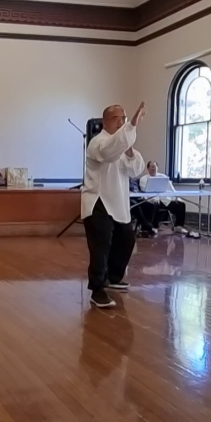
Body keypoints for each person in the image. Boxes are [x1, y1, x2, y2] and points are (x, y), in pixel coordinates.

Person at [82, 102, 146, 309]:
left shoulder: (122, 144)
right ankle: (97, 289)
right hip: (98, 202)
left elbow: (136, 169)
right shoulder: (97, 142)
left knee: (126, 238)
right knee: (100, 247)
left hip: (118, 202)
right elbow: (109, 153)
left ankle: (114, 277)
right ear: (104, 122)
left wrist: (129, 149)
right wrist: (130, 128)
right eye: (116, 118)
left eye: (124, 118)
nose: (121, 122)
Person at [138, 161, 188, 235]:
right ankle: (153, 227)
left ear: (157, 168)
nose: (153, 168)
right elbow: (144, 191)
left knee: (181, 205)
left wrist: (175, 196)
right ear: (148, 168)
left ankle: (178, 226)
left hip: (165, 199)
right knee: (153, 205)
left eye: (155, 166)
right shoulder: (143, 179)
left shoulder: (163, 177)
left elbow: (171, 189)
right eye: (151, 167)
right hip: (152, 199)